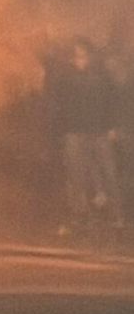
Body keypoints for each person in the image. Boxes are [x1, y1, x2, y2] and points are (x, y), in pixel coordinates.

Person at [45, 39, 125, 234]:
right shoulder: (66, 78)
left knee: (108, 175)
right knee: (76, 177)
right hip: (75, 134)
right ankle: (80, 217)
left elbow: (112, 101)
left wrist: (112, 127)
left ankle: (117, 216)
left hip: (99, 133)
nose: (79, 60)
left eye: (83, 56)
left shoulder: (101, 77)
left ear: (90, 57)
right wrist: (61, 131)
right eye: (76, 56)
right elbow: (59, 106)